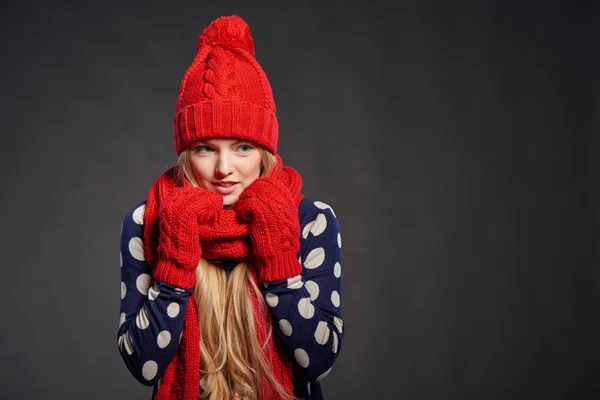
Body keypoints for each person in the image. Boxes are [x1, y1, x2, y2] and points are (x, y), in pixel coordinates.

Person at [117, 15, 343, 400]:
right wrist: (174, 263)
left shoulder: (311, 220)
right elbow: (143, 363)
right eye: (206, 148)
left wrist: (278, 259)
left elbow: (319, 360)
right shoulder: (147, 221)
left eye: (242, 147)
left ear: (264, 152)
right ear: (187, 153)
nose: (225, 169)